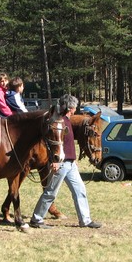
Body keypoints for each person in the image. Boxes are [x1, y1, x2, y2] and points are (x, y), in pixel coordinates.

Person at [29, 94, 102, 230]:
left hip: (70, 164)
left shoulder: (67, 120)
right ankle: (36, 219)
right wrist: (54, 161)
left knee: (80, 190)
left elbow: (68, 143)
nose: (75, 109)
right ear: (69, 108)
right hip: (61, 164)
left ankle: (85, 220)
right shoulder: (58, 121)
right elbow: (53, 144)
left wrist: (73, 159)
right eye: (74, 107)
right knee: (51, 192)